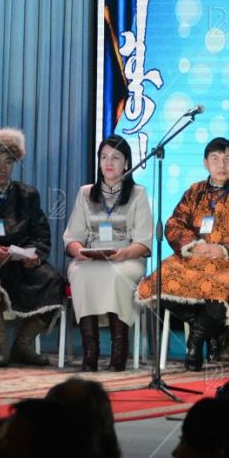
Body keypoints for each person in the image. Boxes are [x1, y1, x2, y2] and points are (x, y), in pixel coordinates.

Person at [136, 137, 229, 371]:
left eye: (227, 159)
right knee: (158, 280)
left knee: (224, 288)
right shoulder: (194, 191)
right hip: (194, 261)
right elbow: (174, 224)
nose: (221, 164)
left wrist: (222, 249)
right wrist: (193, 246)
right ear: (205, 163)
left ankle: (195, 342)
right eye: (215, 159)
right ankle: (207, 329)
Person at [0, 128, 64, 366]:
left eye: (8, 162)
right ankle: (0, 347)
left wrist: (34, 255)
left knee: (53, 280)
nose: (3, 168)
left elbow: (41, 233)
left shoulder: (28, 194)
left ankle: (22, 345)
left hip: (21, 260)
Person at [63, 135, 152, 371]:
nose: (109, 162)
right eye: (104, 157)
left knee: (116, 274)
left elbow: (144, 242)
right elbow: (72, 237)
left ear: (127, 162)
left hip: (127, 256)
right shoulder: (85, 193)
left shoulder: (138, 194)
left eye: (115, 157)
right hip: (90, 256)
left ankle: (118, 352)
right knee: (79, 272)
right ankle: (90, 353)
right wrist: (78, 251)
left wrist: (123, 253)